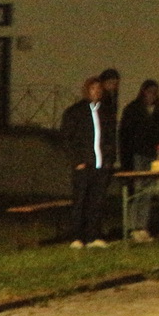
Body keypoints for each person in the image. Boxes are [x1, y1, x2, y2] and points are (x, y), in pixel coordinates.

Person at [60, 76, 118, 248]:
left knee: (97, 202)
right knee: (80, 202)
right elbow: (66, 139)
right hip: (83, 165)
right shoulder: (75, 112)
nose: (97, 91)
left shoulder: (106, 112)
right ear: (87, 90)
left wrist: (109, 160)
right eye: (93, 88)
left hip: (101, 165)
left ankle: (95, 235)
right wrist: (77, 160)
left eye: (99, 89)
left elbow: (111, 138)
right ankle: (77, 236)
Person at [120, 79, 159, 242]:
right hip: (136, 153)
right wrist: (124, 157)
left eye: (154, 92)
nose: (152, 95)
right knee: (138, 189)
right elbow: (124, 134)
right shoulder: (132, 109)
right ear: (143, 92)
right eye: (149, 92)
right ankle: (132, 227)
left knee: (148, 191)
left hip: (152, 155)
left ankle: (143, 226)